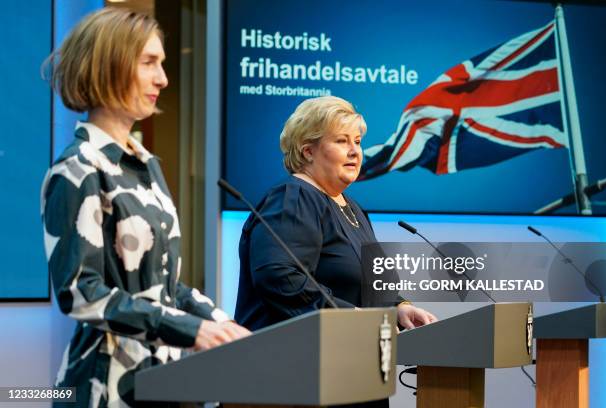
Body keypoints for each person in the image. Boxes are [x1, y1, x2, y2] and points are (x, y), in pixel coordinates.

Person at [41, 8, 249, 407]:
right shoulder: (77, 168)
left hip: (164, 380)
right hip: (105, 387)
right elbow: (81, 293)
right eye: (149, 63)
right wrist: (189, 330)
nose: (163, 79)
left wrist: (221, 324)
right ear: (109, 66)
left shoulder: (147, 166)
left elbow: (164, 286)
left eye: (163, 64)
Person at [235, 96, 437, 332]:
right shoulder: (294, 198)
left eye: (358, 142)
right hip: (296, 359)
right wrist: (349, 317)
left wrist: (397, 309)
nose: (355, 152)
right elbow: (280, 277)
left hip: (356, 359)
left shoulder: (354, 209)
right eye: (342, 141)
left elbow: (366, 286)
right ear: (308, 151)